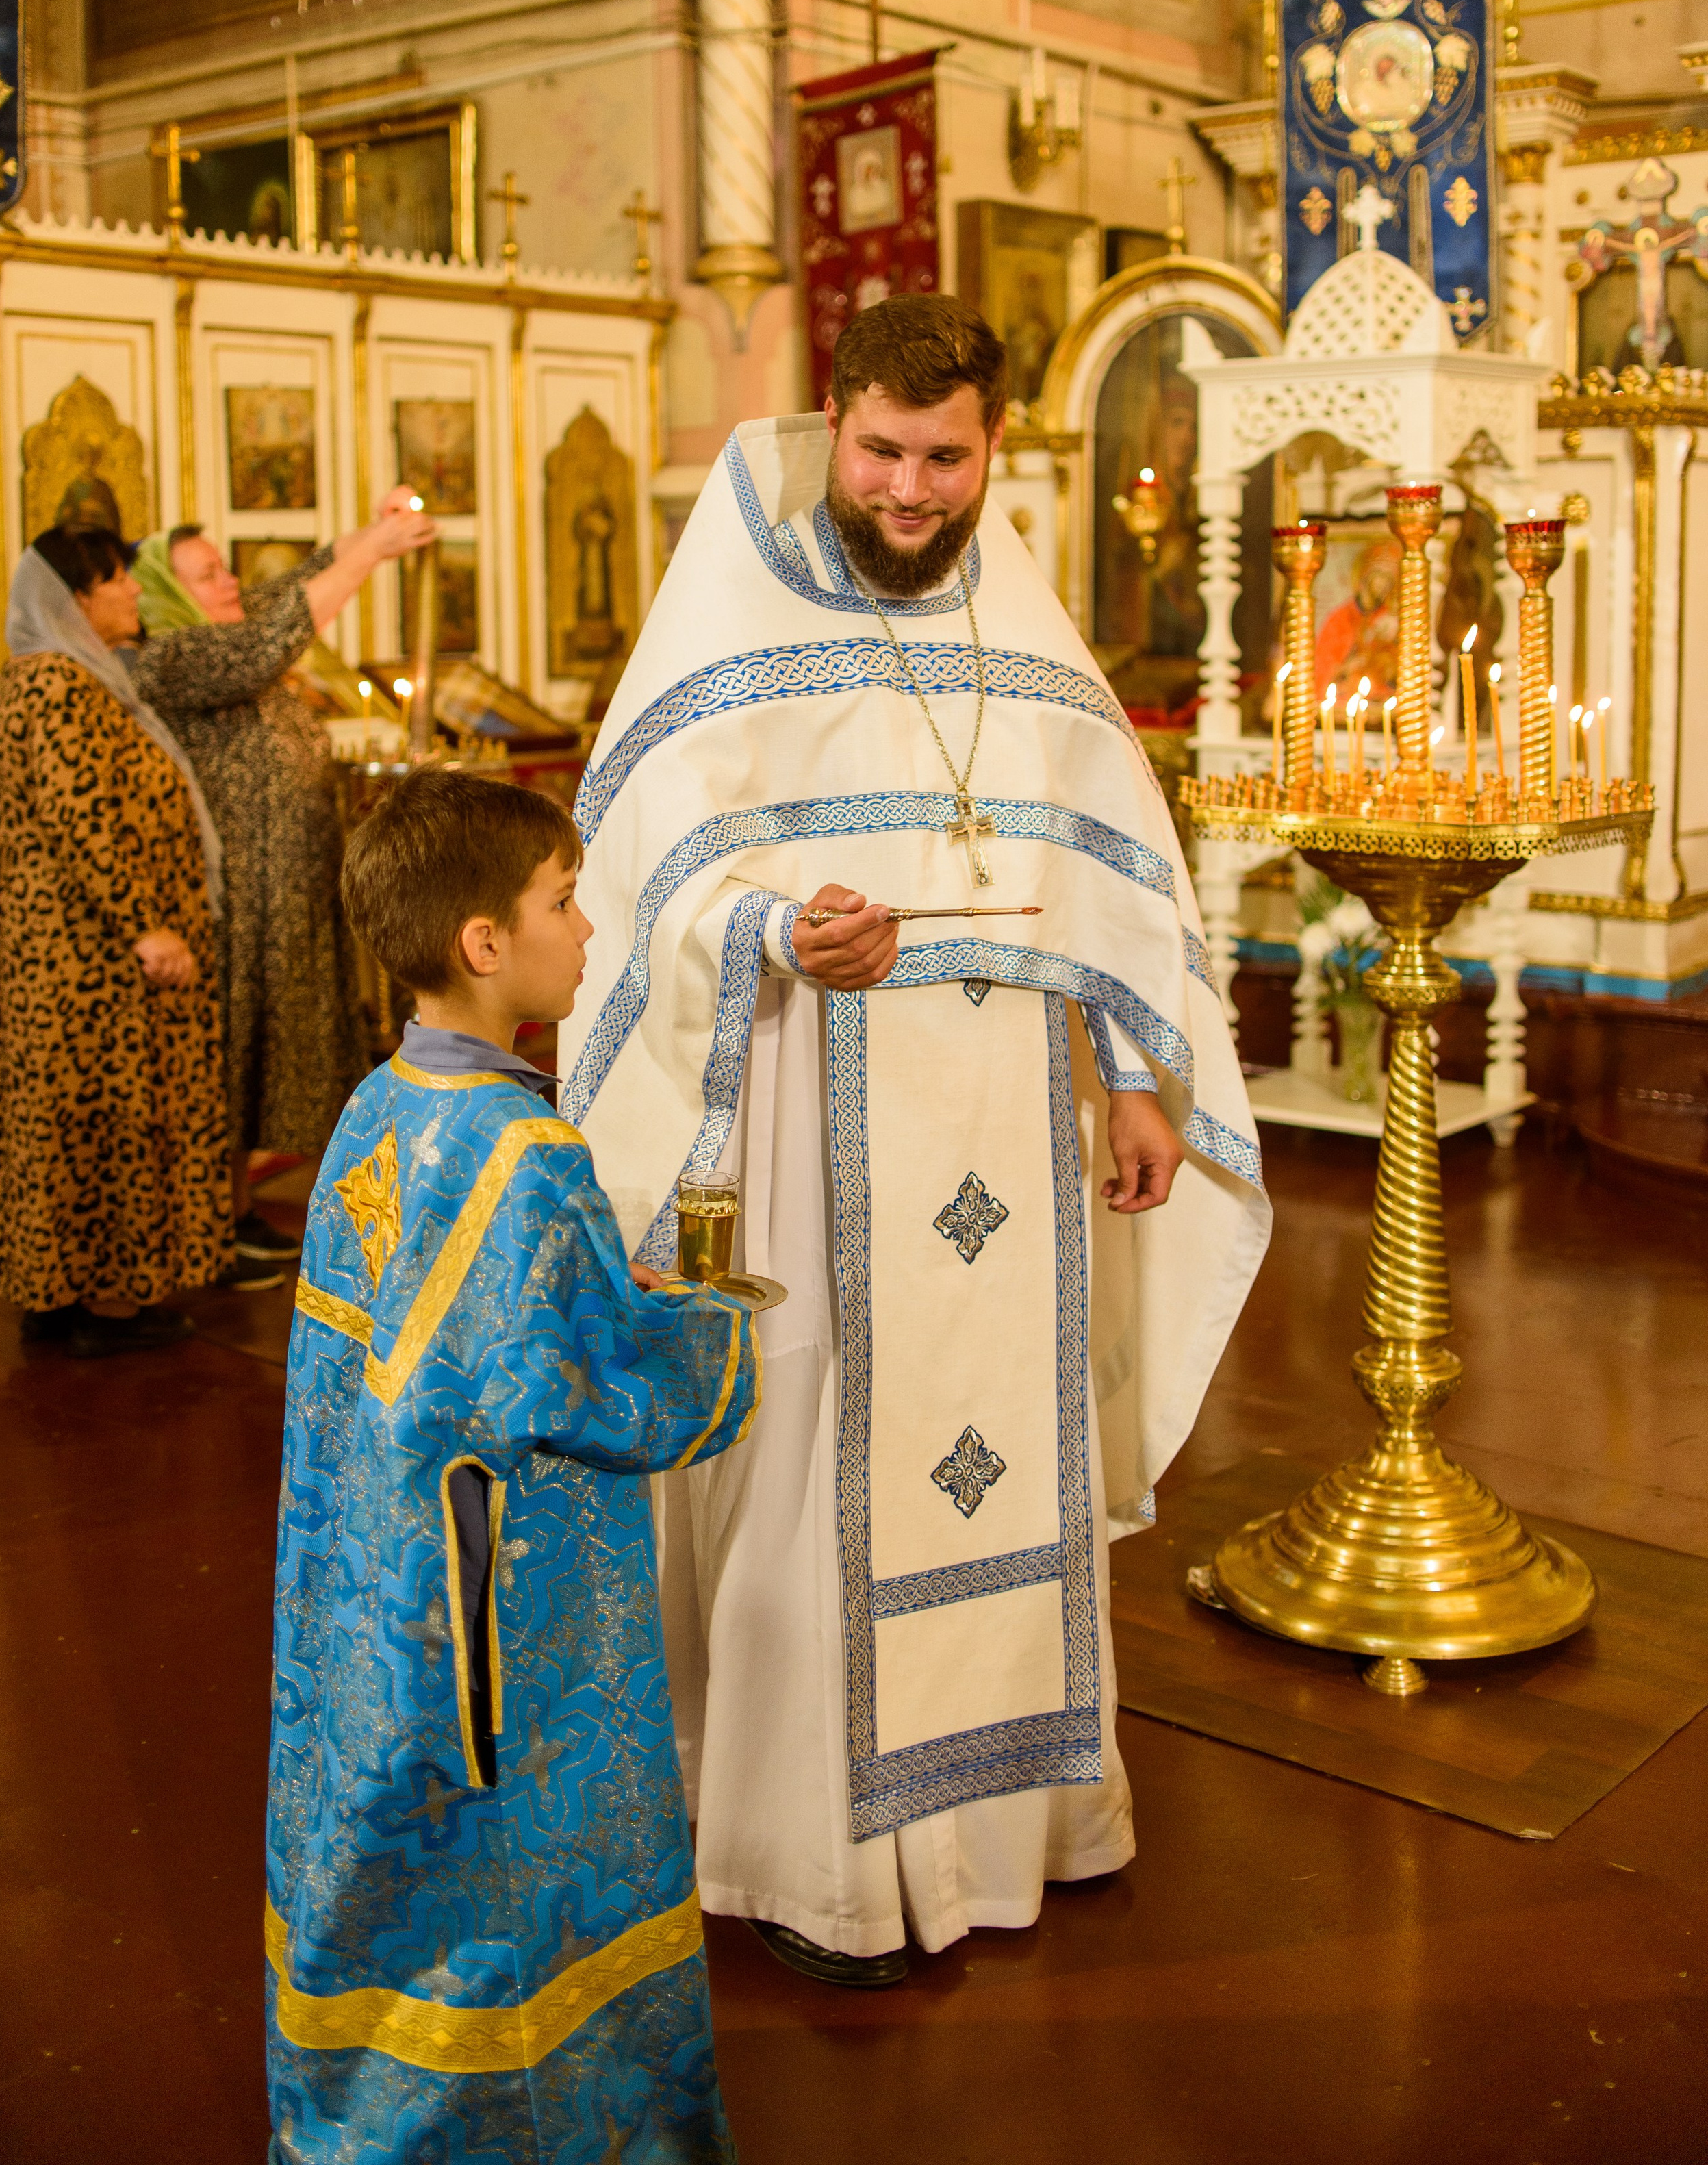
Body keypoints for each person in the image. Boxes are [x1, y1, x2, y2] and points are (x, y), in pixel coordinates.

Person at [559, 293, 1270, 1986]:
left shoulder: (1009, 610)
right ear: (835, 416)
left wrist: (1129, 1073)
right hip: (810, 1103)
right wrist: (772, 929)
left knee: (1004, 1442)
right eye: (878, 447)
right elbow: (638, 866)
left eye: (942, 456)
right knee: (821, 1447)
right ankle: (828, 1861)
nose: (905, 487)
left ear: (989, 447)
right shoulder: (729, 593)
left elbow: (1102, 861)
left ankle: (1018, 1819)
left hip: (1016, 1125)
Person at [267, 768, 759, 2162]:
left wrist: (593, 1282)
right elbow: (612, 1395)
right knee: (514, 1881)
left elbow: (451, 1346)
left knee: (379, 1860)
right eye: (560, 899)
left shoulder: (377, 1110)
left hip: (370, 1599)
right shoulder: (524, 1152)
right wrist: (710, 1316)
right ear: (484, 943)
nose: (587, 926)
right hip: (503, 1617)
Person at [129, 494, 433, 1270]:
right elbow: (271, 634)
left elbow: (280, 594)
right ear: (165, 591)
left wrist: (369, 531)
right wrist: (374, 551)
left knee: (275, 1061)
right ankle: (211, 1224)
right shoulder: (172, 655)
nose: (230, 582)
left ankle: (238, 1213)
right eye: (207, 575)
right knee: (230, 1062)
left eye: (226, 566)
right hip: (236, 901)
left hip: (290, 899)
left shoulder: (225, 630)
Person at [0, 529, 235, 1354]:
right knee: (95, 1121)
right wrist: (146, 924)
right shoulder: (55, 682)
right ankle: (90, 1300)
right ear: (76, 598)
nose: (133, 591)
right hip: (86, 959)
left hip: (91, 951)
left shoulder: (85, 677)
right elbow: (84, 818)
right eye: (118, 578)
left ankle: (82, 1291)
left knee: (88, 1122)